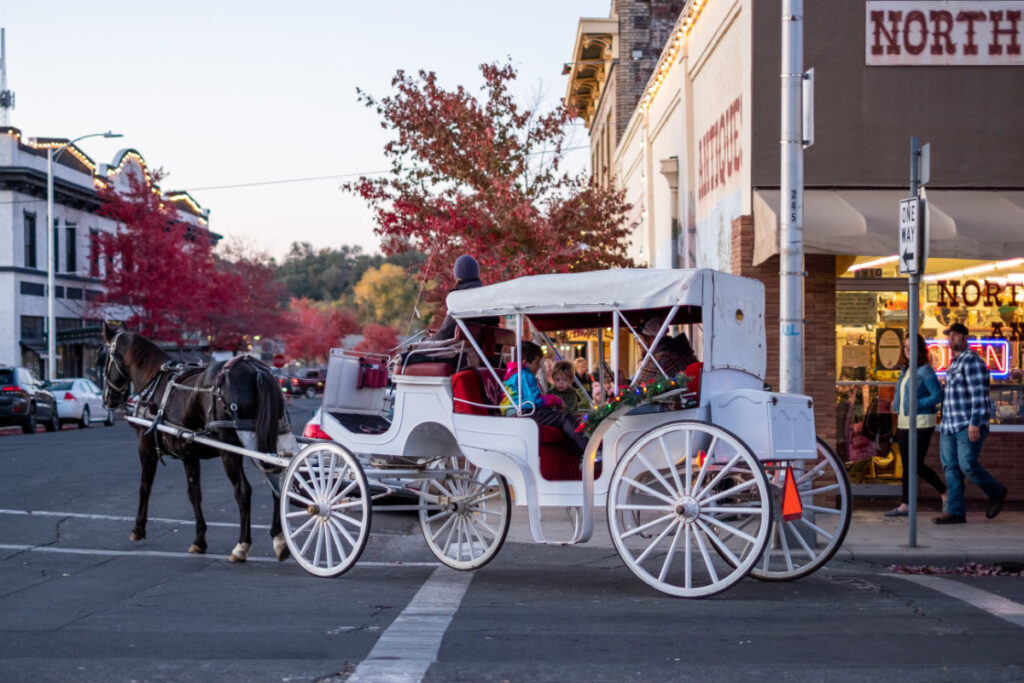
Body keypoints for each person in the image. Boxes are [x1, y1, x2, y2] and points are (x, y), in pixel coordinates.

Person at [934, 322, 1008, 524]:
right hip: (949, 424)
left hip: (967, 424)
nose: (951, 338)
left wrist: (975, 423)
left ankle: (996, 492)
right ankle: (956, 512)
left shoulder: (972, 361)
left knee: (967, 465)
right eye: (949, 335)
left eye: (955, 335)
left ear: (965, 338)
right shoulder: (953, 363)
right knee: (951, 468)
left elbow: (980, 395)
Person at [884, 333, 947, 517]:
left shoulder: (925, 370)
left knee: (916, 464)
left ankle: (944, 492)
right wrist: (896, 404)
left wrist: (917, 403)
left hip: (922, 422)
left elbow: (938, 395)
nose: (907, 350)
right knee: (907, 465)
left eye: (911, 347)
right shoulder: (906, 370)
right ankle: (905, 505)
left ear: (919, 349)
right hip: (904, 422)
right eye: (905, 347)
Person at [502, 342, 589, 454]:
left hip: (521, 410)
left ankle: (580, 453)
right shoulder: (524, 375)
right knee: (564, 417)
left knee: (564, 417)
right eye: (536, 363)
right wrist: (555, 400)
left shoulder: (516, 373)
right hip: (523, 412)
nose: (539, 366)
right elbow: (533, 400)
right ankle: (588, 450)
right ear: (525, 362)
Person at [434, 254, 497, 340]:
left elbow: (442, 337)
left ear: (456, 276)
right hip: (485, 348)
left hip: (465, 348)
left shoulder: (459, 300)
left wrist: (423, 340)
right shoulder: (489, 299)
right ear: (476, 274)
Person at [634, 316, 698, 385]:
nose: (638, 343)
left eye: (640, 339)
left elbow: (636, 389)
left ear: (653, 339)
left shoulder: (657, 361)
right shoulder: (683, 353)